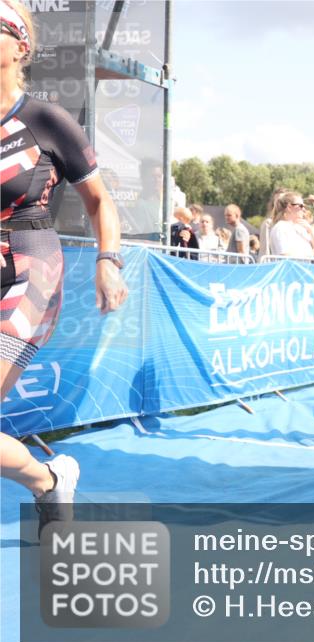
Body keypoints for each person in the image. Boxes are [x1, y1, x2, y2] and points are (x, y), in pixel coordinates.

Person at [1, 0, 128, 516]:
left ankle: (51, 481)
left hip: (31, 268)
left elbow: (100, 201)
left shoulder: (45, 119)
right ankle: (50, 479)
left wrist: (108, 260)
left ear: (19, 47)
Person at [268, 192, 314, 259]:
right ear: (289, 207)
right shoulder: (280, 228)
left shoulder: (299, 228)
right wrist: (311, 253)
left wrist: (310, 230)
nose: (304, 209)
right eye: (301, 206)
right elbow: (285, 256)